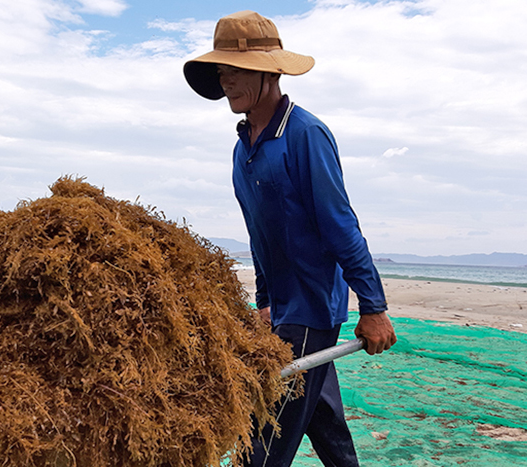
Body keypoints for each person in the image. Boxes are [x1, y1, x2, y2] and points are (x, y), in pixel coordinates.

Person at [183, 11, 397, 467]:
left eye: (236, 71)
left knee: (260, 448)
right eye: (222, 72)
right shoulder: (244, 148)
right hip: (282, 312)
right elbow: (260, 235)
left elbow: (340, 225)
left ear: (267, 71)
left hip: (311, 312)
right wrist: (263, 301)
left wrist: (373, 306)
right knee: (327, 426)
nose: (226, 82)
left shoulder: (305, 135)